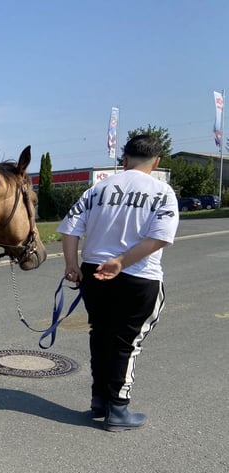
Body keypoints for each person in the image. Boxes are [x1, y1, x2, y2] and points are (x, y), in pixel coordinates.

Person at [58, 134, 179, 431]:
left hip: (94, 273)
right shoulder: (162, 192)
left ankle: (99, 400)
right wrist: (122, 262)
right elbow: (160, 238)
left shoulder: (97, 189)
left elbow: (70, 228)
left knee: (100, 334)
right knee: (127, 341)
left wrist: (72, 265)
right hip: (138, 276)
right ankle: (118, 409)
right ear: (157, 161)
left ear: (124, 159)